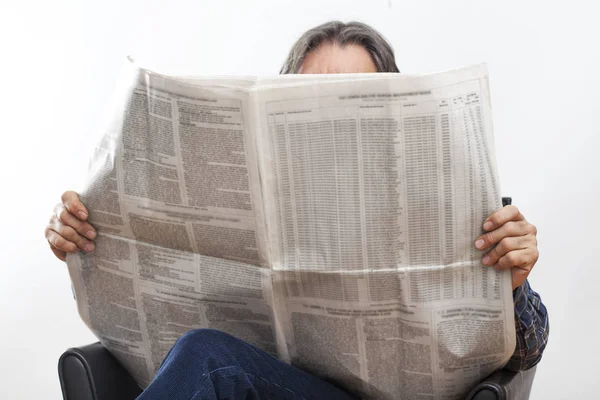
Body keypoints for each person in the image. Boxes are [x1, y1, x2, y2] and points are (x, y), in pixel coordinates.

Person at [45, 21, 548, 399]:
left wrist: (517, 286)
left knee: (210, 359)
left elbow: (526, 356)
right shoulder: (240, 197)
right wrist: (87, 240)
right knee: (208, 356)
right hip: (272, 389)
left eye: (353, 97)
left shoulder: (456, 201)